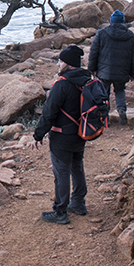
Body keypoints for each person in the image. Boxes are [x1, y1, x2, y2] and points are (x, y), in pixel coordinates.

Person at [30, 45, 92, 225]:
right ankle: (79, 203)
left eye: (61, 61)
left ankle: (60, 211)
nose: (58, 64)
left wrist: (38, 135)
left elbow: (49, 113)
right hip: (81, 134)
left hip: (62, 136)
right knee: (77, 166)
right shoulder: (87, 80)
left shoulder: (62, 85)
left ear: (68, 63)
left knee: (62, 172)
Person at [88, 9, 134, 124]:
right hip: (122, 72)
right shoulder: (130, 35)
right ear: (122, 22)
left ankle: (105, 117)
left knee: (104, 93)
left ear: (111, 21)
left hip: (104, 71)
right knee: (120, 90)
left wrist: (92, 69)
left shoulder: (101, 33)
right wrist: (133, 74)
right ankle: (121, 110)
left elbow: (93, 53)